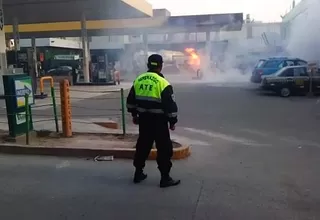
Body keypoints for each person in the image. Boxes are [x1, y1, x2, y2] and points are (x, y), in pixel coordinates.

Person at [126, 54, 180, 188]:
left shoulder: (138, 80)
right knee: (164, 149)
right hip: (159, 122)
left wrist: (134, 115)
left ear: (148, 65)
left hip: (144, 121)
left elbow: (130, 102)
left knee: (142, 146)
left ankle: (138, 173)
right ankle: (165, 178)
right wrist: (172, 121)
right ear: (161, 66)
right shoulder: (163, 83)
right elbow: (170, 106)